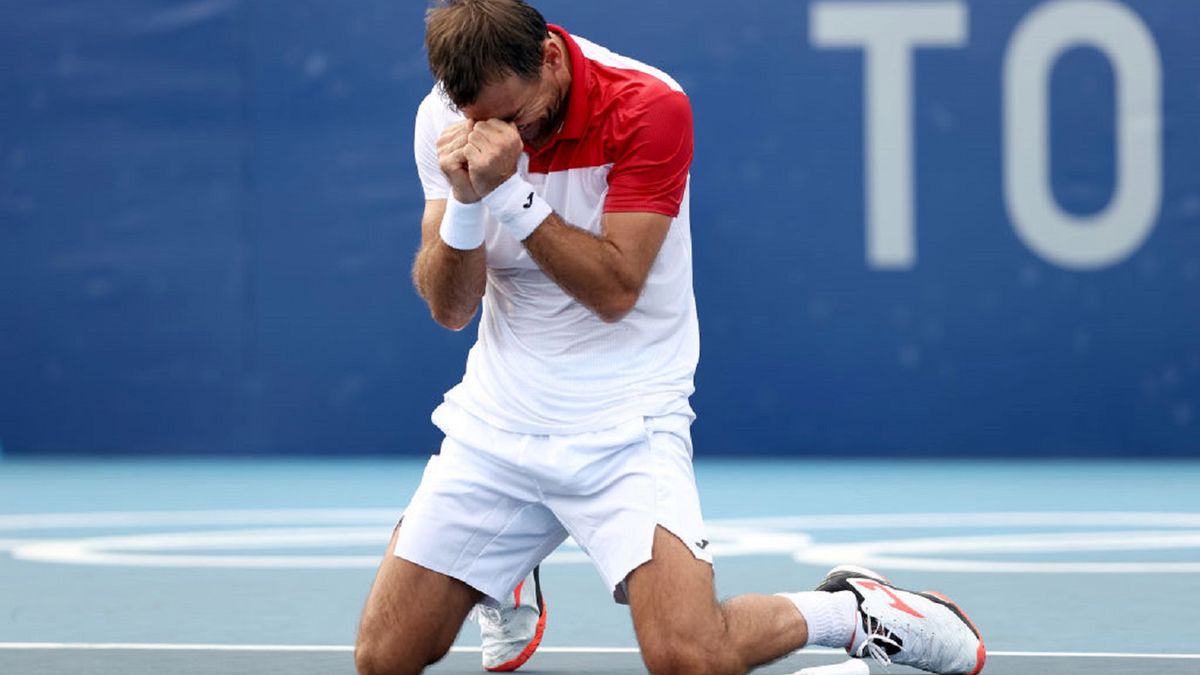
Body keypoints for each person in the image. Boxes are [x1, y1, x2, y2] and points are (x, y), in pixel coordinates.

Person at [355, 2, 987, 675]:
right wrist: (465, 200)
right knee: (383, 656)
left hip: (625, 420)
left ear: (548, 57)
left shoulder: (649, 105)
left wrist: (507, 193)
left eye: (518, 116)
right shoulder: (445, 120)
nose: (508, 136)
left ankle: (853, 610)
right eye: (485, 121)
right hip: (499, 423)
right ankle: (506, 566)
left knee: (690, 657)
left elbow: (615, 289)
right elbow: (452, 309)